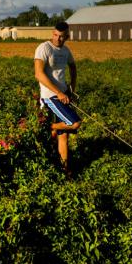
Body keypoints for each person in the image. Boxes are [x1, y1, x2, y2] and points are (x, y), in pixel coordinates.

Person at [34, 21, 81, 174]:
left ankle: (65, 171)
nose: (58, 39)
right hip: (50, 97)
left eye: (61, 36)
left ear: (67, 36)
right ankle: (48, 127)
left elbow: (73, 67)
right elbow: (38, 74)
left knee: (63, 136)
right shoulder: (44, 48)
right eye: (55, 35)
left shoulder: (66, 50)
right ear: (52, 33)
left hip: (63, 95)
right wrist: (58, 93)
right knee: (74, 123)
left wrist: (71, 88)